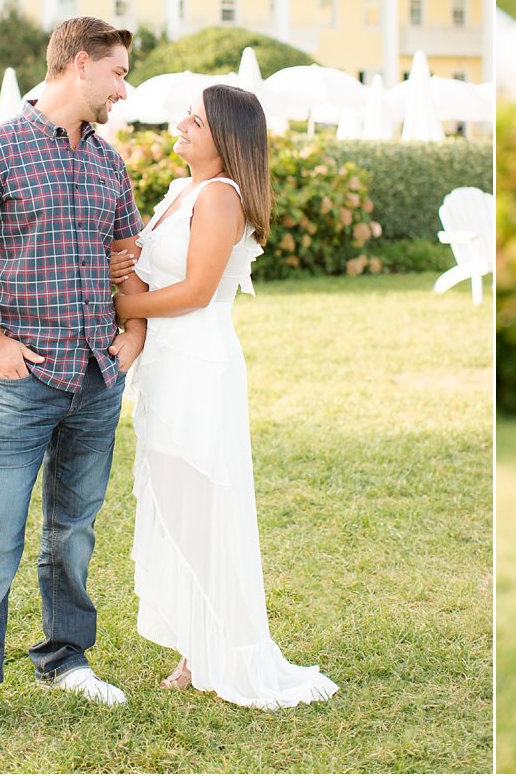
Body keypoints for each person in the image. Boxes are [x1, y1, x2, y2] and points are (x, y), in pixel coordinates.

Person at [0, 16, 147, 747]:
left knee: (75, 531)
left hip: (96, 375)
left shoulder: (109, 163)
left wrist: (133, 336)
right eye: (117, 72)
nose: (124, 88)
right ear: (80, 64)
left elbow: (127, 255)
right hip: (22, 377)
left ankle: (65, 657)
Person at [111, 84, 338, 708]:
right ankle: (196, 641)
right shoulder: (181, 191)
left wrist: (123, 303)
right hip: (164, 363)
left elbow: (195, 291)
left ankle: (224, 649)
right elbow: (153, 269)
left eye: (197, 119)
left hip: (197, 363)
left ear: (227, 138)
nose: (181, 124)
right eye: (187, 114)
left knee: (202, 505)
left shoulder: (219, 198)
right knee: (176, 504)